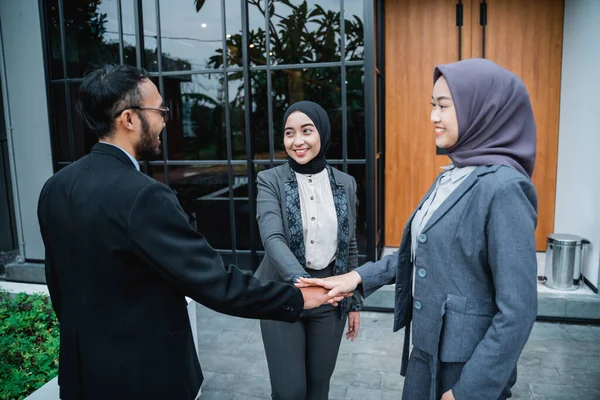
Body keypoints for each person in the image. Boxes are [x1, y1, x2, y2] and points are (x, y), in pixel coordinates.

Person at [37, 65, 345, 400]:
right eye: (159, 111)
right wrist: (297, 297)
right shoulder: (144, 196)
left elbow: (58, 285)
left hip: (81, 376)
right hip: (144, 377)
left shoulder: (55, 188)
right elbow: (215, 282)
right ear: (128, 119)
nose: (165, 121)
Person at [297, 58, 538, 400]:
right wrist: (356, 279)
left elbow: (518, 311)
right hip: (425, 351)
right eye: (431, 105)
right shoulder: (451, 175)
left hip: (465, 367)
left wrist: (469, 391)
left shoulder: (504, 188)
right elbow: (424, 251)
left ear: (483, 109)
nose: (433, 117)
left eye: (443, 106)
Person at [254, 101, 363, 399]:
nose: (297, 141)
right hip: (281, 293)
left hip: (330, 297)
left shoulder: (346, 183)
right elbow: (272, 238)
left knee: (318, 388)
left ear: (322, 133)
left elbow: (350, 243)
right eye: (289, 133)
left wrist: (352, 302)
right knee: (290, 392)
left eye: (306, 131)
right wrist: (303, 286)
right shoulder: (270, 181)